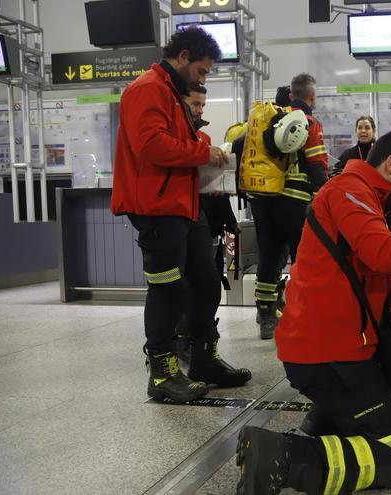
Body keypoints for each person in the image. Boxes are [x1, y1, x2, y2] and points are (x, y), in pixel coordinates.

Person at [235, 132, 391, 495]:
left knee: (359, 422)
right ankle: (283, 457)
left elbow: (375, 277)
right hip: (330, 354)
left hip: (330, 348)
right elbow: (382, 253)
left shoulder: (367, 197)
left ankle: (318, 431)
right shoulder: (351, 189)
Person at [110, 27, 251, 402]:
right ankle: (162, 373)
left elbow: (182, 139)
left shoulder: (171, 93)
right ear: (184, 57)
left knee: (205, 283)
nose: (203, 79)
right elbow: (150, 145)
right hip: (156, 208)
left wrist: (204, 150)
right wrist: (202, 154)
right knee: (167, 288)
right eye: (203, 71)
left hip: (184, 206)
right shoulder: (148, 89)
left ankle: (203, 359)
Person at [246, 73, 329, 339]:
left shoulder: (270, 119)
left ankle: (266, 315)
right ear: (312, 97)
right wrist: (326, 194)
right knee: (301, 260)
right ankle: (301, 313)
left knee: (269, 257)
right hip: (295, 203)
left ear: (291, 95)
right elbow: (316, 166)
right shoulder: (309, 122)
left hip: (264, 199)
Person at [174, 83, 239, 362]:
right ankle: (180, 341)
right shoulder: (173, 136)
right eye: (195, 104)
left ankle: (200, 344)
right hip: (175, 218)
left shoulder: (204, 137)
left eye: (202, 105)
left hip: (202, 218)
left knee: (208, 283)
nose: (199, 110)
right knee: (180, 285)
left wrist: (214, 185)